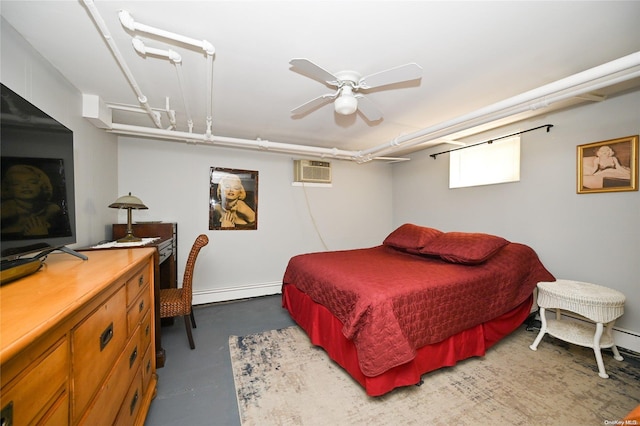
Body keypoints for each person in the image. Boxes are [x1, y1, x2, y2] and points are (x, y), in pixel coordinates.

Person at [1, 164, 66, 237]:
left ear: (42, 185)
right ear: (8, 188)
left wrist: (42, 234)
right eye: (17, 183)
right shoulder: (3, 212)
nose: (25, 186)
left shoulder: (54, 211)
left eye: (32, 182)